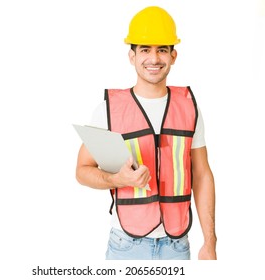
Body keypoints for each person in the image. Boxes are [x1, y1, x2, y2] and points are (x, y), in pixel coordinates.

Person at [75, 6, 217, 260]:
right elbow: (82, 171)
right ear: (132, 56)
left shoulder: (189, 108)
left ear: (174, 55)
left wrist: (210, 241)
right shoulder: (109, 110)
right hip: (126, 246)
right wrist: (118, 180)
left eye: (162, 49)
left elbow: (202, 175)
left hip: (177, 245)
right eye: (145, 50)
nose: (154, 59)